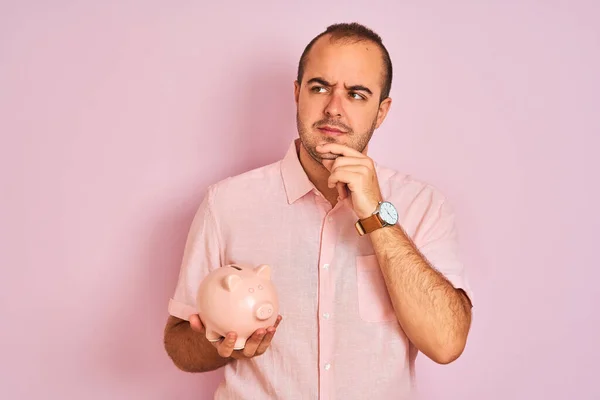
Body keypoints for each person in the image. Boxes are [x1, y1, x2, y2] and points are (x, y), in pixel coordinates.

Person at [163, 22, 474, 399]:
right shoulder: (226, 204)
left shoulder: (423, 205)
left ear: (381, 111)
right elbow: (179, 342)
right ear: (297, 93)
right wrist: (220, 342)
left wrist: (377, 215)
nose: (334, 108)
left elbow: (446, 343)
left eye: (357, 94)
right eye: (320, 87)